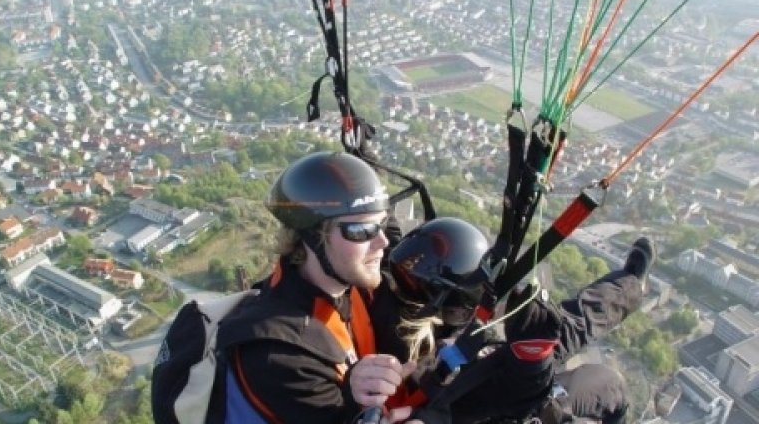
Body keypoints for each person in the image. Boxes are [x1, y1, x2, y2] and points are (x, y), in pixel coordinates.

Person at [364, 217, 656, 423]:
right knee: (603, 378)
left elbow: (397, 246)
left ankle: (631, 286)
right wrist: (532, 354)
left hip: (485, 370)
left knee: (567, 325)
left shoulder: (392, 286)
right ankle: (631, 286)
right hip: (507, 398)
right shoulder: (417, 359)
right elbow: (515, 395)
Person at [211, 151, 418, 424]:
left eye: (381, 224)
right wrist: (351, 396)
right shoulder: (278, 356)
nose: (381, 242)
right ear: (314, 238)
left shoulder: (345, 279)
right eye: (362, 231)